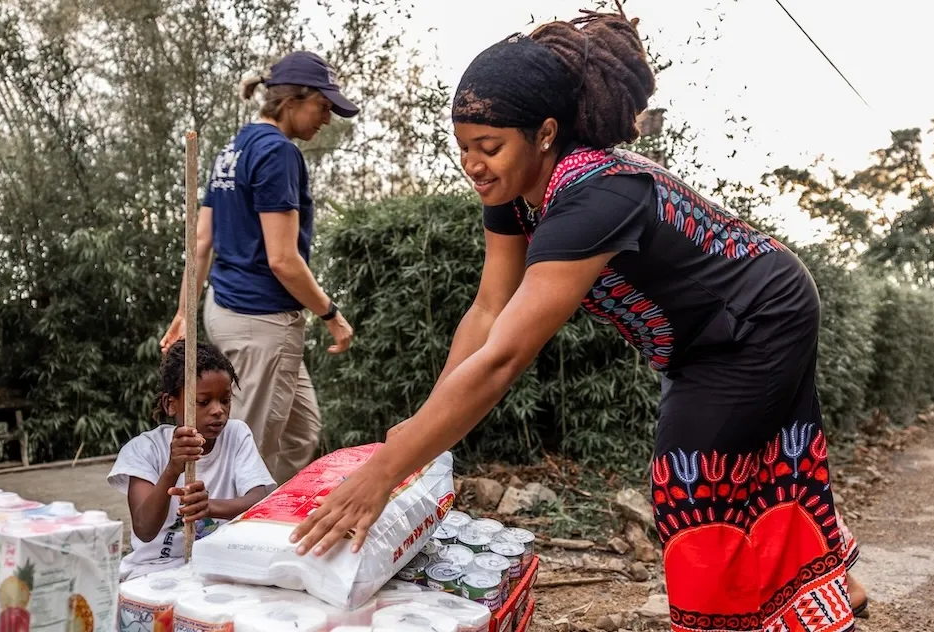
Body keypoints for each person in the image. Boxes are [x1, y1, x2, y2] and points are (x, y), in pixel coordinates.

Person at [290, 8, 861, 631]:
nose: (474, 165)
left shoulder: (596, 195)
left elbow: (506, 357)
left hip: (760, 317)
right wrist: (421, 429)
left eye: (490, 147)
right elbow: (488, 311)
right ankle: (835, 591)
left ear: (545, 134)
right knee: (739, 468)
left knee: (694, 485)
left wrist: (383, 473)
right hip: (702, 335)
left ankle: (732, 622)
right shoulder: (515, 196)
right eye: (464, 148)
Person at [160, 51, 356, 484]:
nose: (326, 119)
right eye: (323, 107)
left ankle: (263, 509)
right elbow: (283, 260)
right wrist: (331, 315)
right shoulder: (278, 153)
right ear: (294, 100)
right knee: (248, 448)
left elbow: (202, 240)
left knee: (301, 431)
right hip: (261, 320)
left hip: (228, 309)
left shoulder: (232, 150)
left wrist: (184, 314)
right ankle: (222, 531)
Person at [108, 340, 275, 580]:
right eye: (203, 402)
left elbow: (260, 502)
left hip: (219, 564)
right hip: (155, 569)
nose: (218, 410)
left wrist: (210, 507)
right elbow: (144, 529)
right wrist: (173, 468)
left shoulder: (237, 435)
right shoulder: (144, 450)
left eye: (225, 400)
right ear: (171, 403)